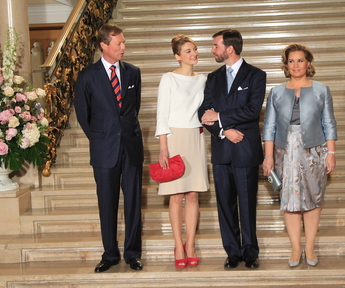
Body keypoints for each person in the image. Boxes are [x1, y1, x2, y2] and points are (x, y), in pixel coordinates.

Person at [74, 23, 144, 272]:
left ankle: (133, 253)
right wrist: (101, 138)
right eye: (119, 44)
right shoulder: (87, 76)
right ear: (104, 46)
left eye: (124, 43)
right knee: (107, 203)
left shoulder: (133, 72)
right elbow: (83, 115)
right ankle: (110, 254)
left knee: (134, 202)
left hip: (132, 146)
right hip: (104, 149)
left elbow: (133, 109)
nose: (123, 47)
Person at [262, 43, 337, 268]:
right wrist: (268, 157)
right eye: (291, 61)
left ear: (308, 63)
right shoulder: (276, 92)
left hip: (315, 150)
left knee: (314, 199)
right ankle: (296, 247)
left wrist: (331, 153)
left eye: (300, 60)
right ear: (286, 65)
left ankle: (310, 246)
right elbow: (269, 126)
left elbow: (329, 123)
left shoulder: (321, 90)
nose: (296, 65)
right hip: (284, 151)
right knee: (290, 199)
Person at [198, 29, 266, 269]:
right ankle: (232, 252)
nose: (212, 50)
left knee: (247, 203)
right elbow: (203, 112)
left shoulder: (256, 75)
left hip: (245, 150)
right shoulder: (212, 78)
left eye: (215, 46)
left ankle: (250, 253)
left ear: (230, 49)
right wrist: (222, 130)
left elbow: (252, 110)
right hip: (221, 149)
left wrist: (219, 116)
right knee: (224, 205)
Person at [155, 35, 209, 268]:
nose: (193, 54)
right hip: (174, 138)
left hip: (196, 138)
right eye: (188, 51)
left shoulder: (204, 80)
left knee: (193, 194)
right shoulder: (168, 79)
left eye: (195, 49)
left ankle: (191, 244)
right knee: (176, 195)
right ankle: (178, 245)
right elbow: (162, 114)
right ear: (177, 56)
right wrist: (163, 146)